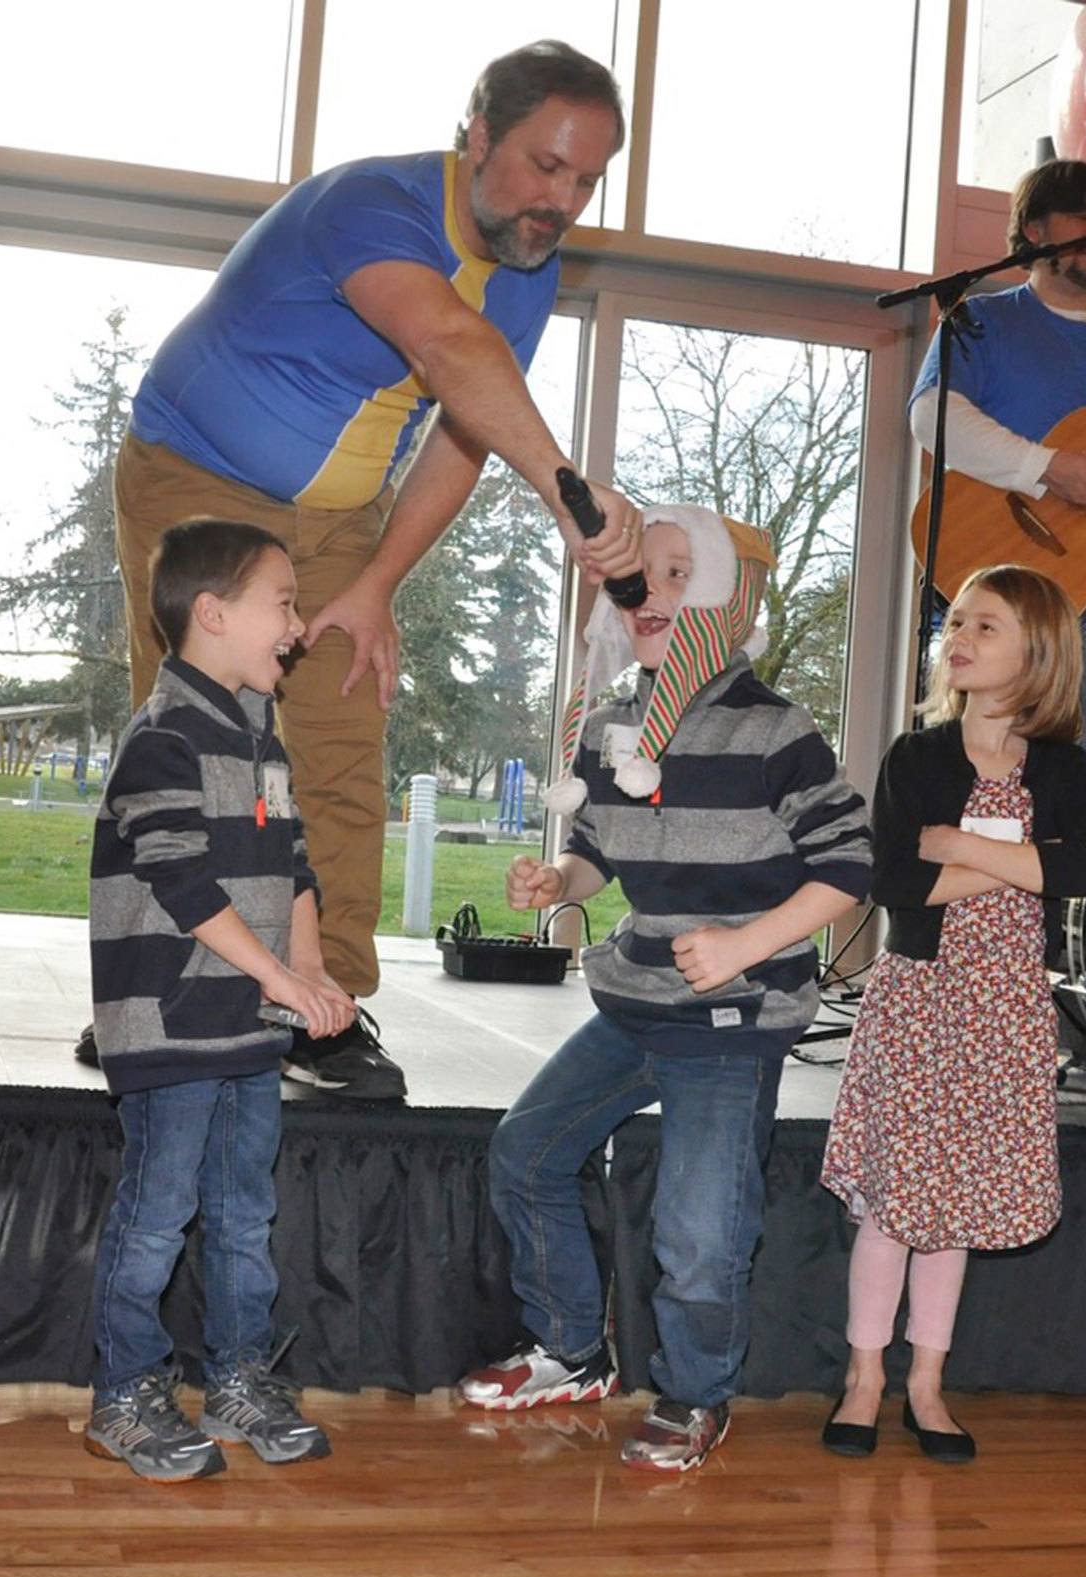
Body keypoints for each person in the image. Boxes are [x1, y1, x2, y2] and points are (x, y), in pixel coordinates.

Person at [97, 39, 643, 1101]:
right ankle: (149, 993)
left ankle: (326, 1004)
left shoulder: (528, 270)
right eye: (543, 166)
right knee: (196, 754)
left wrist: (380, 579)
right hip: (195, 478)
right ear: (475, 134)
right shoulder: (370, 205)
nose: (559, 201)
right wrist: (570, 493)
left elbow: (459, 432)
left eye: (585, 180)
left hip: (345, 516)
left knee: (343, 742)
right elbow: (446, 346)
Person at [458, 509, 871, 1473]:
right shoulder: (612, 724)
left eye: (681, 574)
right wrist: (561, 882)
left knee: (699, 1227)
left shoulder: (776, 729)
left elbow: (850, 864)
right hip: (638, 999)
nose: (652, 595)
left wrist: (745, 944)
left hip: (734, 1021)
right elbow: (600, 849)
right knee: (526, 1153)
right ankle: (570, 1351)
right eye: (639, 577)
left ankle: (695, 1396)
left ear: (732, 604)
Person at [84, 518, 353, 1481]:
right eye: (282, 603)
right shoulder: (164, 738)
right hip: (169, 1020)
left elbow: (292, 866)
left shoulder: (258, 734)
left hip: (245, 1022)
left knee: (243, 1213)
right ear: (212, 613)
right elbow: (180, 883)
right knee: (158, 1214)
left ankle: (238, 1376)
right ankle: (124, 1395)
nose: (298, 623)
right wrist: (278, 976)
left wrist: (309, 972)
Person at [820, 566, 1086, 1464]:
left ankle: (926, 1386)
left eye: (985, 626)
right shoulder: (918, 757)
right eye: (957, 625)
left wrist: (960, 845)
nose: (960, 637)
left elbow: (1084, 873)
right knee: (898, 1206)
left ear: (1038, 652)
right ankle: (864, 1377)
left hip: (1005, 1010)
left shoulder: (1063, 768)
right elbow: (901, 881)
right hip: (919, 999)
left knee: (960, 1209)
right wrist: (1019, 853)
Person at [908, 158, 1086, 753]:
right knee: (991, 799)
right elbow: (931, 416)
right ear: (1034, 231)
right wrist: (1045, 467)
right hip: (1007, 620)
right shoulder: (981, 320)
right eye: (1082, 217)